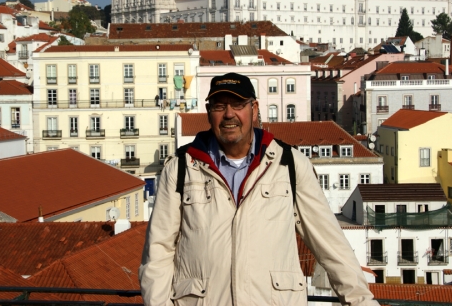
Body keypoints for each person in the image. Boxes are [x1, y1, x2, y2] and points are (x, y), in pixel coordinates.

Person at [139, 73, 378, 306]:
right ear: (209, 112)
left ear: (254, 109)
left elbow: (331, 245)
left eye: (238, 105)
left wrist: (361, 301)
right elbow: (157, 254)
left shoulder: (289, 165)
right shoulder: (182, 168)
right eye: (219, 106)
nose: (229, 114)